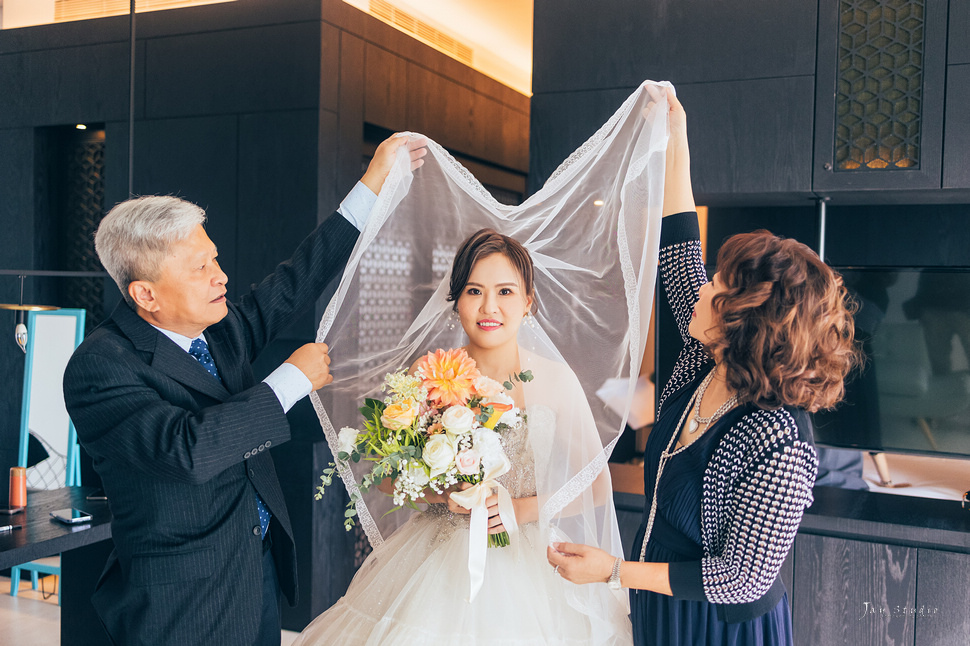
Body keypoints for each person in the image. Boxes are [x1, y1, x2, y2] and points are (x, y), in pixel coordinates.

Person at [62, 134, 427, 646]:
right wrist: (291, 381)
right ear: (145, 293)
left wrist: (372, 184)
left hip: (255, 573)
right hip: (179, 604)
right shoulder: (100, 366)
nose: (222, 276)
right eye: (201, 269)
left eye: (214, 259)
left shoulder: (219, 327)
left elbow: (295, 282)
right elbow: (187, 449)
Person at [547, 88, 860, 646]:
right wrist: (676, 136)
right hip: (658, 594)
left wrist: (614, 572)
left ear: (745, 323)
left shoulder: (780, 441)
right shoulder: (707, 357)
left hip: (717, 623)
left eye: (718, 287)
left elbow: (740, 579)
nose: (702, 287)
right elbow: (678, 251)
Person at [294, 229, 632, 645]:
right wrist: (442, 497)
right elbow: (385, 476)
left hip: (527, 560)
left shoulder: (556, 380)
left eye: (505, 291)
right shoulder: (425, 374)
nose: (489, 306)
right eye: (474, 290)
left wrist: (519, 510)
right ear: (456, 302)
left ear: (529, 303)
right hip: (431, 554)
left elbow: (595, 486)